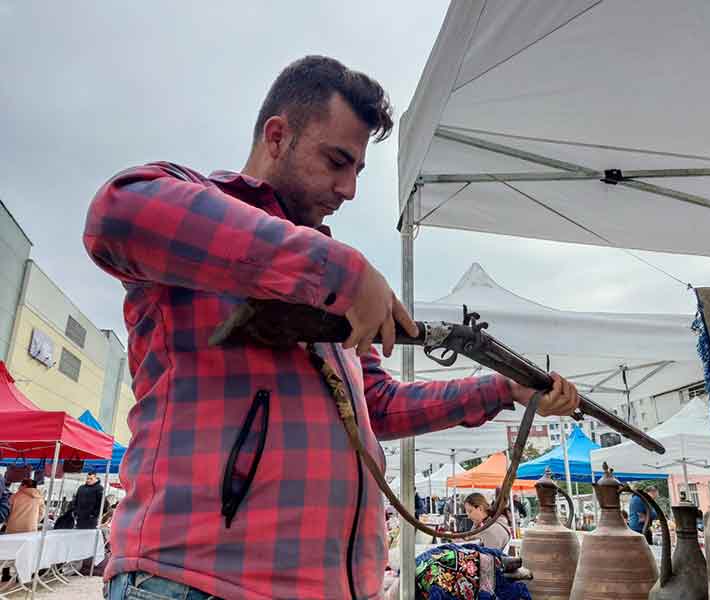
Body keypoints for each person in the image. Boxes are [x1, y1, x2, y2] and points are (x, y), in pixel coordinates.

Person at [84, 55, 580, 600]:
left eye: (358, 171)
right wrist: (334, 267)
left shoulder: (330, 288)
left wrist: (502, 388)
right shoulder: (209, 206)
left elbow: (376, 404)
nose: (348, 189)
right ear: (277, 137)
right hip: (193, 580)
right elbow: (116, 212)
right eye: (336, 161)